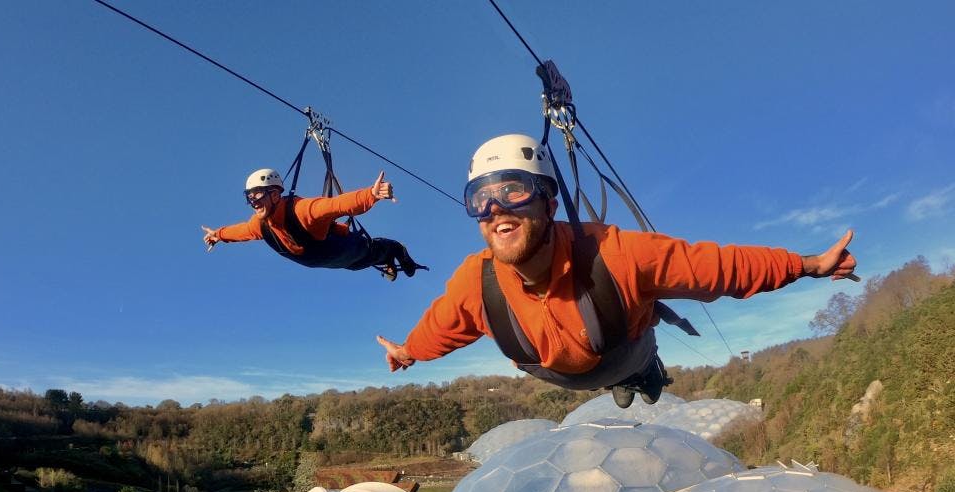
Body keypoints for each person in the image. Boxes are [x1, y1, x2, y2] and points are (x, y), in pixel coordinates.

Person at [376, 133, 857, 407]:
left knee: (630, 357)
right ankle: (625, 380)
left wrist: (809, 265)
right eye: (481, 200)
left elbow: (719, 268)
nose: (497, 208)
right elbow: (441, 326)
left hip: (623, 350)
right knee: (585, 360)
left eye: (514, 190)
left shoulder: (616, 253)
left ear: (547, 200)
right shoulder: (475, 283)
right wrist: (407, 352)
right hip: (557, 374)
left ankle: (645, 373)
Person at [202, 168, 425, 280]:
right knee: (355, 266)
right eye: (250, 197)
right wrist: (218, 235)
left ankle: (396, 249)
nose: (254, 202)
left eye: (258, 195)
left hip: (343, 247)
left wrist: (372, 194)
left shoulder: (302, 210)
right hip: (332, 260)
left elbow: (337, 205)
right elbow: (240, 231)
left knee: (367, 253)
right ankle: (386, 259)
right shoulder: (259, 225)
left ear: (275, 195)